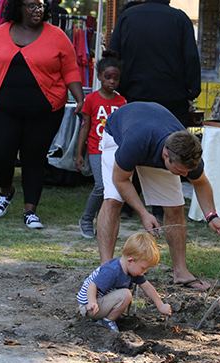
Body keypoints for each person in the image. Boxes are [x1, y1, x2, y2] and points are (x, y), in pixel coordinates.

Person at [97, 101, 220, 290]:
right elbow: (121, 180)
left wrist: (212, 216)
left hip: (152, 135)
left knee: (175, 207)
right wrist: (144, 212)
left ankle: (181, 272)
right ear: (166, 156)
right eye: (180, 171)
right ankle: (106, 271)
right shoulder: (135, 142)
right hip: (118, 134)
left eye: (186, 172)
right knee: (113, 201)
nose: (185, 176)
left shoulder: (187, 155)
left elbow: (201, 183)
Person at [0, 0, 84, 229]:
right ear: (19, 7)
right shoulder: (1, 32)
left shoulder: (57, 35)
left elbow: (70, 69)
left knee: (33, 158)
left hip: (44, 110)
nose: (38, 10)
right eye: (32, 5)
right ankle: (6, 191)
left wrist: (80, 99)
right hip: (5, 108)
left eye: (41, 5)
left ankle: (30, 211)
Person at [107, 0, 200, 126]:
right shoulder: (180, 19)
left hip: (136, 94)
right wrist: (192, 92)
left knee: (138, 141)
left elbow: (112, 57)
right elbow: (191, 57)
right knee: (173, 142)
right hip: (173, 97)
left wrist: (122, 88)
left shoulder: (127, 17)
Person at [74, 50, 126, 239]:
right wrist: (79, 152)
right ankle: (86, 218)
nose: (112, 82)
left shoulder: (122, 101)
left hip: (115, 150)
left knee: (114, 188)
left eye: (116, 78)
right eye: (108, 78)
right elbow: (85, 127)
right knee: (101, 186)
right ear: (99, 77)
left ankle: (104, 225)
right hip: (96, 149)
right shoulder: (91, 99)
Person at [76, 232, 171, 333]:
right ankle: (106, 321)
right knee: (125, 295)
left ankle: (103, 318)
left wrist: (160, 305)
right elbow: (92, 285)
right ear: (130, 261)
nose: (144, 272)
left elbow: (147, 287)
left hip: (99, 304)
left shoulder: (130, 269)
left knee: (124, 295)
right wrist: (92, 302)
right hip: (89, 307)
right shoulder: (112, 270)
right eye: (143, 268)